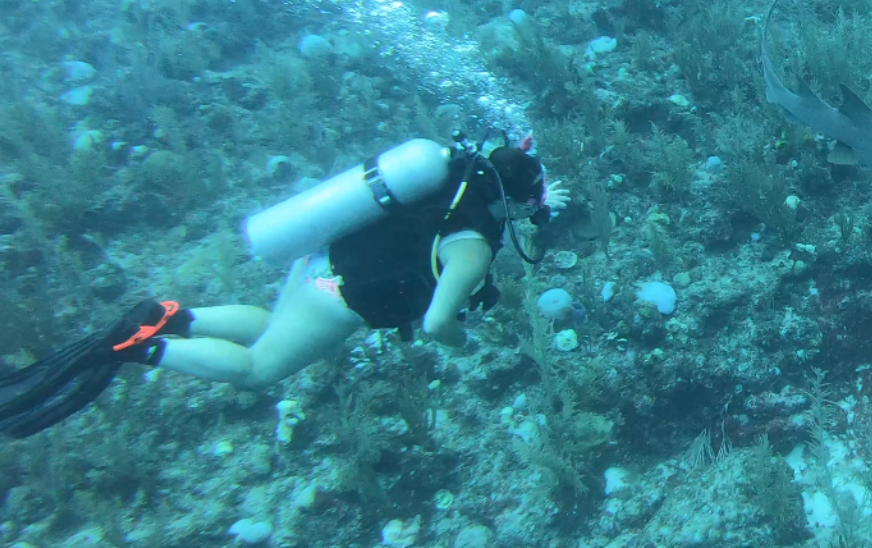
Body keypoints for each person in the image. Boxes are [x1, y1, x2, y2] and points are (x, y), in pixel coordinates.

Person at [0, 134, 568, 438]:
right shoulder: (472, 248)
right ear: (515, 201)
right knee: (258, 372)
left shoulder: (450, 179)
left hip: (316, 264)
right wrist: (465, 345)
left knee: (272, 330)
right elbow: (438, 321)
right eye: (533, 204)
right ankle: (146, 345)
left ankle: (175, 316)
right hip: (337, 301)